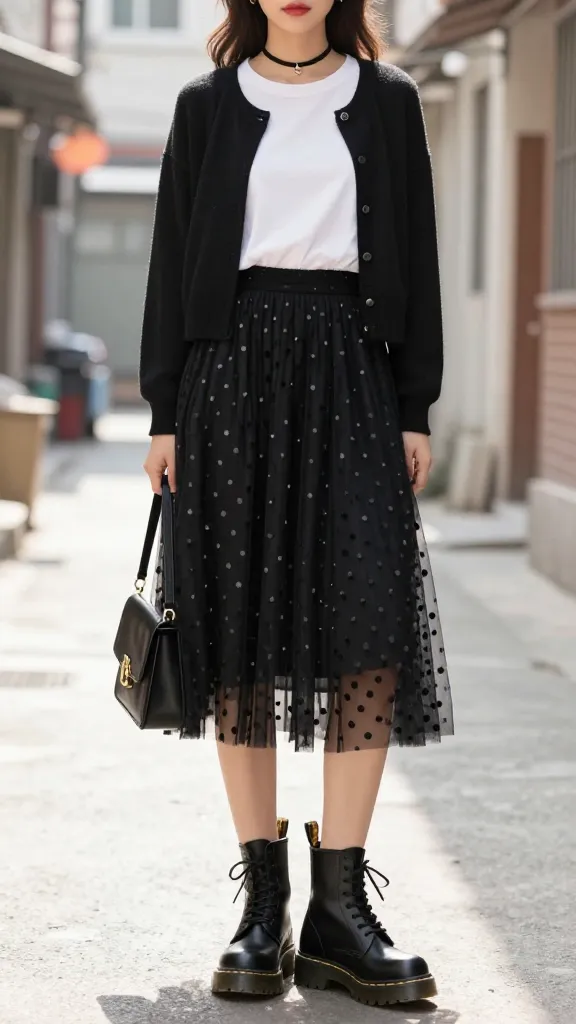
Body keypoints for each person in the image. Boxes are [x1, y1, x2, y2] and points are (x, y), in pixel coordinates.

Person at [140, 0, 454, 1008]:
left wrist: (414, 405)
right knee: (239, 635)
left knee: (366, 628)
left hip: (355, 373)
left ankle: (340, 911)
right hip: (229, 377)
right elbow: (171, 259)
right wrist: (164, 412)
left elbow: (418, 253)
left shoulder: (389, 101)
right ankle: (263, 907)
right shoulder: (205, 105)